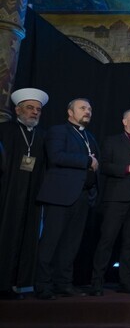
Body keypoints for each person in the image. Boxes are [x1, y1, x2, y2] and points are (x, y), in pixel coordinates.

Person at [35, 98, 100, 300]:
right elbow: (56, 157)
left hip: (82, 196)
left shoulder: (89, 136)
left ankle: (63, 283)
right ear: (70, 112)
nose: (87, 111)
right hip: (60, 195)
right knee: (50, 242)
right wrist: (87, 160)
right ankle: (42, 285)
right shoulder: (58, 131)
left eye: (89, 108)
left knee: (71, 245)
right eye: (82, 108)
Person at [89, 110, 130, 295]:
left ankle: (126, 283)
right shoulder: (112, 141)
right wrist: (127, 168)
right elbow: (104, 166)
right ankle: (97, 282)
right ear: (125, 121)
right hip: (116, 198)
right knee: (107, 240)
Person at [0, 88, 48, 299]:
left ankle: (17, 283)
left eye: (38, 109)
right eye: (30, 108)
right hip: (6, 193)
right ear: (18, 109)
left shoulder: (43, 136)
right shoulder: (4, 130)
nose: (34, 112)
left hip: (31, 194)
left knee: (26, 236)